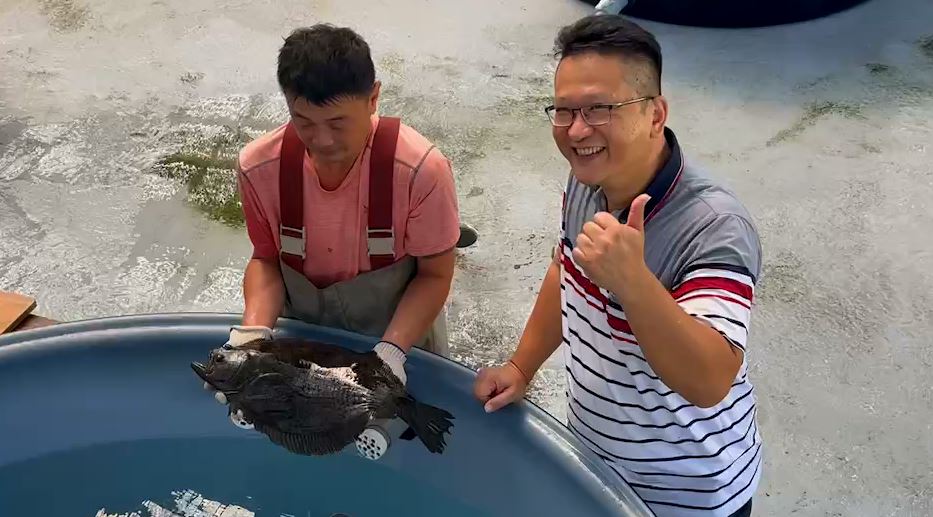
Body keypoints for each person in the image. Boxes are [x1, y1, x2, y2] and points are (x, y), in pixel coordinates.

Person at [473, 15, 762, 517]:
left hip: (689, 493)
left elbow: (710, 379)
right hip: (597, 465)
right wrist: (522, 365)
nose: (577, 130)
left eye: (599, 109)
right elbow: (565, 269)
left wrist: (633, 282)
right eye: (563, 111)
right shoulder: (587, 181)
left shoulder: (713, 225)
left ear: (655, 113)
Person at [211, 23, 473, 458]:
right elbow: (266, 260)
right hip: (304, 340)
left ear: (373, 98)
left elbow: (434, 273)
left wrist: (390, 354)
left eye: (338, 122)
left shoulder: (421, 170)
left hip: (397, 337)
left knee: (407, 433)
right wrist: (253, 333)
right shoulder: (259, 167)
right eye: (304, 123)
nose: (323, 140)